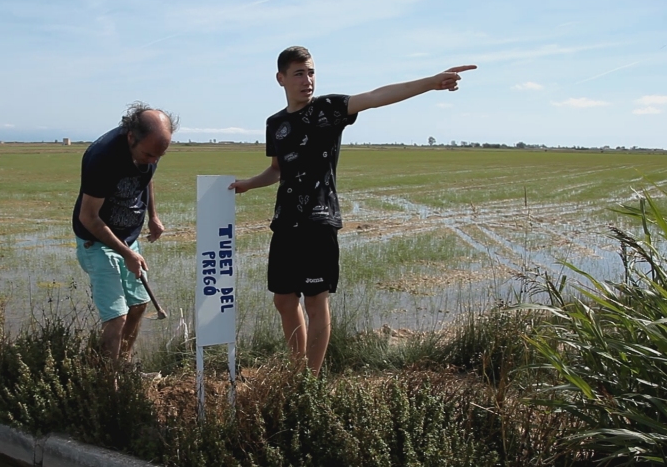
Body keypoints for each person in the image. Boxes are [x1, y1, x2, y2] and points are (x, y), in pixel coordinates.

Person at [229, 46, 476, 375]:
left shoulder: (329, 109)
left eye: (311, 72)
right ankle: (297, 370)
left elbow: (377, 96)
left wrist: (430, 82)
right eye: (299, 73)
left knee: (316, 301)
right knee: (284, 301)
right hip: (286, 220)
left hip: (319, 220)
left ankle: (310, 383)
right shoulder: (276, 124)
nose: (308, 80)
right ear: (281, 78)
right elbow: (278, 169)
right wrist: (248, 183)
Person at [73, 102, 179, 362]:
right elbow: (88, 217)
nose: (153, 161)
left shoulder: (149, 149)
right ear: (131, 137)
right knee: (116, 317)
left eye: (159, 156)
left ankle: (121, 363)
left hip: (127, 239)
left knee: (139, 305)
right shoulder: (103, 157)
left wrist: (153, 216)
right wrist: (126, 253)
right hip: (96, 241)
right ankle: (109, 387)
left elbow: (147, 177)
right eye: (149, 154)